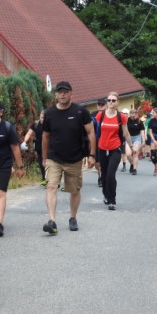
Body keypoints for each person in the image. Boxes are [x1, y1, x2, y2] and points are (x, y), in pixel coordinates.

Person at [41, 81, 96, 234]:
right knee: (51, 187)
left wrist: (92, 155)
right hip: (54, 158)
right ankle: (52, 221)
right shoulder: (49, 113)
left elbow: (91, 133)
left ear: (71, 94)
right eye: (60, 92)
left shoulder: (80, 112)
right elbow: (45, 136)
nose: (63, 94)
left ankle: (72, 217)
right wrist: (44, 158)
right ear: (55, 95)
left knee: (74, 190)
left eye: (65, 92)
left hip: (75, 158)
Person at [0, 98, 25, 237]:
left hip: (4, 164)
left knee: (0, 192)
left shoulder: (7, 127)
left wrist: (19, 167)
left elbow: (15, 147)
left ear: (1, 112)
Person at [95, 92, 131, 210]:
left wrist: (131, 146)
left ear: (117, 102)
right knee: (104, 175)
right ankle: (106, 194)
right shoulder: (100, 115)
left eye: (113, 100)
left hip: (115, 148)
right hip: (102, 148)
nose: (110, 102)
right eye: (109, 100)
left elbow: (125, 133)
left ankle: (112, 200)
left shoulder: (121, 117)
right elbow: (94, 131)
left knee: (111, 174)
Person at [22, 109, 46, 185]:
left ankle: (53, 180)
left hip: (49, 147)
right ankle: (44, 179)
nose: (43, 119)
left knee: (50, 164)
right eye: (42, 117)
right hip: (39, 147)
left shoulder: (50, 124)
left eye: (44, 118)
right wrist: (24, 141)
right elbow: (29, 133)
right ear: (40, 116)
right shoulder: (36, 124)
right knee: (41, 163)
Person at [91, 98, 106, 187]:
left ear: (105, 106)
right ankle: (100, 175)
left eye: (102, 105)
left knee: (104, 160)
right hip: (96, 140)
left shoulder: (108, 114)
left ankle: (102, 176)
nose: (100, 106)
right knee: (97, 161)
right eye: (99, 105)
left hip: (106, 140)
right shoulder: (93, 114)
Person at [126, 108, 144, 175]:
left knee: (135, 153)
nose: (132, 115)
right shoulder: (127, 121)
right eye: (131, 113)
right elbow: (125, 130)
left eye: (134, 113)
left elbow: (142, 131)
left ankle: (134, 169)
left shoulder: (139, 121)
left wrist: (143, 141)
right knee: (128, 154)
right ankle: (132, 163)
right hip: (129, 138)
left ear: (136, 114)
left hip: (137, 138)